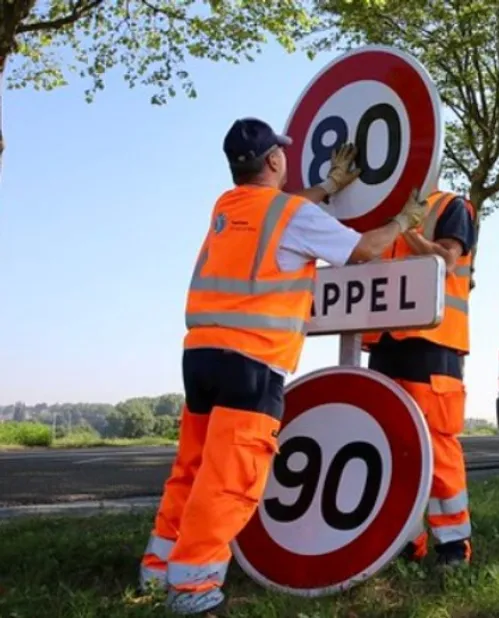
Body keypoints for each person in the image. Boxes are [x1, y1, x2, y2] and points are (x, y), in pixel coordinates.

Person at [138, 117, 428, 616]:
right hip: (251, 364)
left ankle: (156, 568)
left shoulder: (227, 209)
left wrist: (329, 187)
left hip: (200, 355)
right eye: (281, 154)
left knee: (190, 468)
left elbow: (284, 215)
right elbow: (361, 250)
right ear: (274, 160)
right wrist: (404, 221)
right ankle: (193, 591)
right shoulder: (289, 213)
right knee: (229, 479)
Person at [361, 186, 477, 568]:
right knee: (388, 447)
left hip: (433, 343)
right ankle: (406, 541)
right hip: (384, 342)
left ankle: (453, 545)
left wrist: (405, 227)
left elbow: (448, 259)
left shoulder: (451, 206)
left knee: (437, 447)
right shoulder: (378, 207)